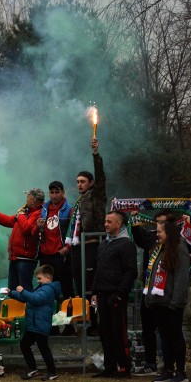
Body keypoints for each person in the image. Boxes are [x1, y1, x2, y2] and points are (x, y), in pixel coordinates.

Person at [64, 138, 106, 336]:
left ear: (91, 183)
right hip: (77, 247)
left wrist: (96, 155)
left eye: (83, 182)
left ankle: (96, 323)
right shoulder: (79, 201)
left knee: (91, 285)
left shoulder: (96, 195)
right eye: (77, 182)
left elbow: (101, 176)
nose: (79, 185)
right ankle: (85, 319)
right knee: (79, 286)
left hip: (91, 246)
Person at [91, 211, 138, 378]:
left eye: (109, 221)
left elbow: (131, 271)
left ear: (119, 224)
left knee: (119, 331)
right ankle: (109, 367)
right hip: (102, 294)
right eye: (105, 221)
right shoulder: (104, 244)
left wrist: (120, 294)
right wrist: (95, 291)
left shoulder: (126, 244)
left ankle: (124, 367)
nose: (105, 224)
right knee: (105, 331)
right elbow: (98, 269)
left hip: (116, 295)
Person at [131, 209, 177, 376]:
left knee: (167, 331)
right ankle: (151, 362)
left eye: (163, 223)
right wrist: (135, 219)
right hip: (149, 289)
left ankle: (170, 364)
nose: (159, 226)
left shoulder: (176, 244)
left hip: (166, 292)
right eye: (157, 222)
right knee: (148, 327)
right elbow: (138, 237)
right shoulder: (151, 237)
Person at [145, 220, 190, 382]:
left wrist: (175, 302)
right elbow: (151, 276)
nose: (156, 234)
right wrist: (149, 297)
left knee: (175, 337)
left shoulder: (179, 248)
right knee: (164, 337)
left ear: (169, 233)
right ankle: (168, 369)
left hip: (172, 303)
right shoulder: (159, 249)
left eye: (159, 232)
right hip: (159, 302)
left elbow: (181, 278)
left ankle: (181, 371)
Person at [6, 264, 61, 381]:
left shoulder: (48, 289)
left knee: (43, 348)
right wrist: (11, 293)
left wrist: (23, 291)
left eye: (40, 278)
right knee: (24, 345)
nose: (38, 280)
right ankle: (32, 369)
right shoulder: (41, 287)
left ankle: (52, 372)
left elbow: (36, 299)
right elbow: (28, 297)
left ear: (48, 278)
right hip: (33, 325)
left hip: (40, 325)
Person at [0, 188, 44, 291]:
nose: (26, 201)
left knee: (25, 290)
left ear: (33, 200)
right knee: (13, 290)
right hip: (15, 258)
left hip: (26, 260)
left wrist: (20, 214)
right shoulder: (25, 213)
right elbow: (8, 220)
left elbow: (26, 229)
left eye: (27, 198)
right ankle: (14, 307)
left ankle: (27, 307)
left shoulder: (39, 213)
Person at [37, 181, 74, 336]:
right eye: (51, 192)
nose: (54, 195)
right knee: (47, 292)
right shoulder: (44, 209)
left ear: (63, 192)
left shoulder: (69, 210)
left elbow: (74, 230)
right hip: (45, 254)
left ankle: (68, 325)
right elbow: (40, 231)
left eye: (57, 192)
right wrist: (38, 227)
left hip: (61, 254)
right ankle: (51, 326)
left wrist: (68, 247)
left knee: (66, 291)